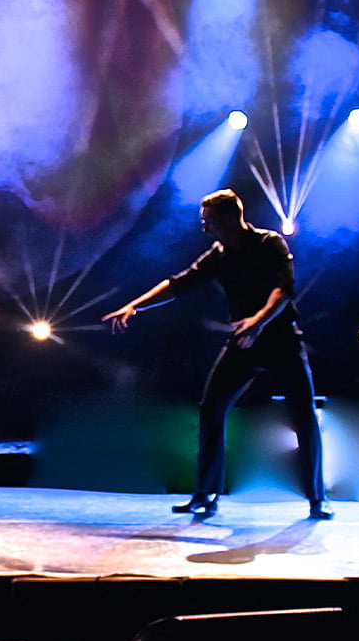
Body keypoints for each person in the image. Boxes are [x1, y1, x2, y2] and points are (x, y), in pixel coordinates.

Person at [103, 188, 332, 520]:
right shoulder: (218, 255)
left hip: (281, 340)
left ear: (229, 218)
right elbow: (179, 283)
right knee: (211, 409)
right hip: (242, 342)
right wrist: (134, 306)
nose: (204, 228)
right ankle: (206, 494)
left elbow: (283, 290)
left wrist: (258, 321)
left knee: (304, 416)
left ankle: (317, 499)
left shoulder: (270, 244)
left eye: (208, 221)